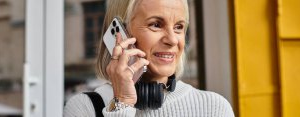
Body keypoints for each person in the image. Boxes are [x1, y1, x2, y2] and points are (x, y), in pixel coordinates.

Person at [64, 0, 234, 116]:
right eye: (156, 24)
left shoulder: (214, 107)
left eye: (178, 27)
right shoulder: (84, 108)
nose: (173, 40)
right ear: (120, 36)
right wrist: (122, 104)